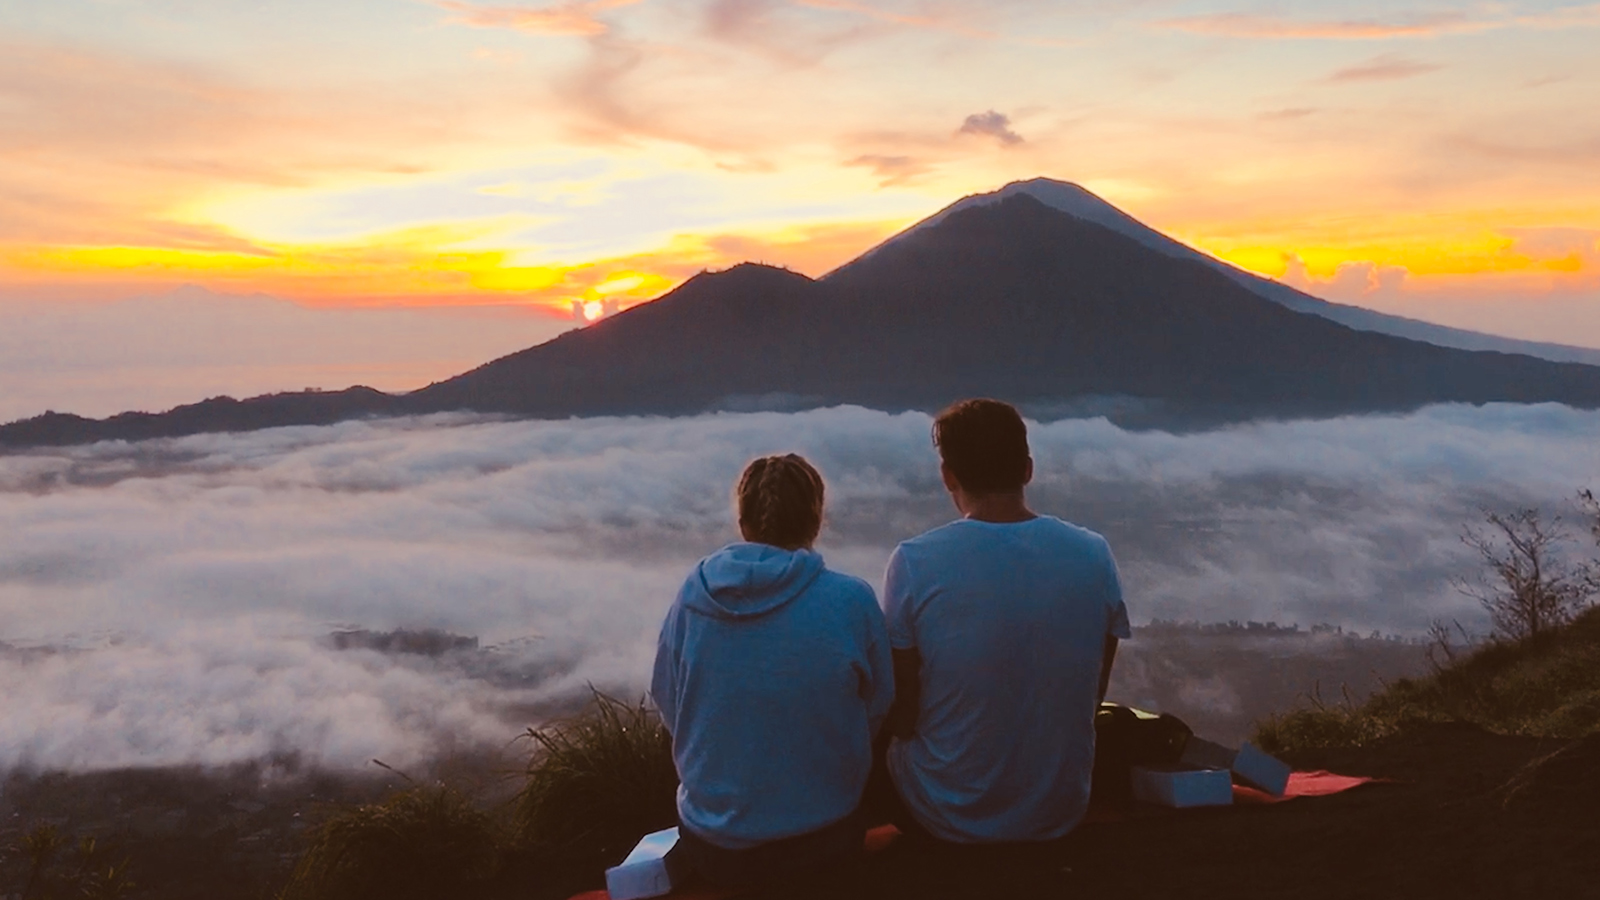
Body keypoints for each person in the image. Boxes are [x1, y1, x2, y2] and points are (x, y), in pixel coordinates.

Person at [873, 398, 1130, 843]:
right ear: (1027, 469)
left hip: (942, 811)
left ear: (947, 475)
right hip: (1060, 806)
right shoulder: (1093, 554)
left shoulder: (915, 562)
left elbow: (905, 713)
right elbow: (1093, 692)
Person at [651, 453, 894, 887]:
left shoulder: (693, 597)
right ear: (816, 521)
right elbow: (878, 706)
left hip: (712, 844)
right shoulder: (850, 601)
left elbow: (668, 700)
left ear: (743, 523)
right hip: (824, 840)